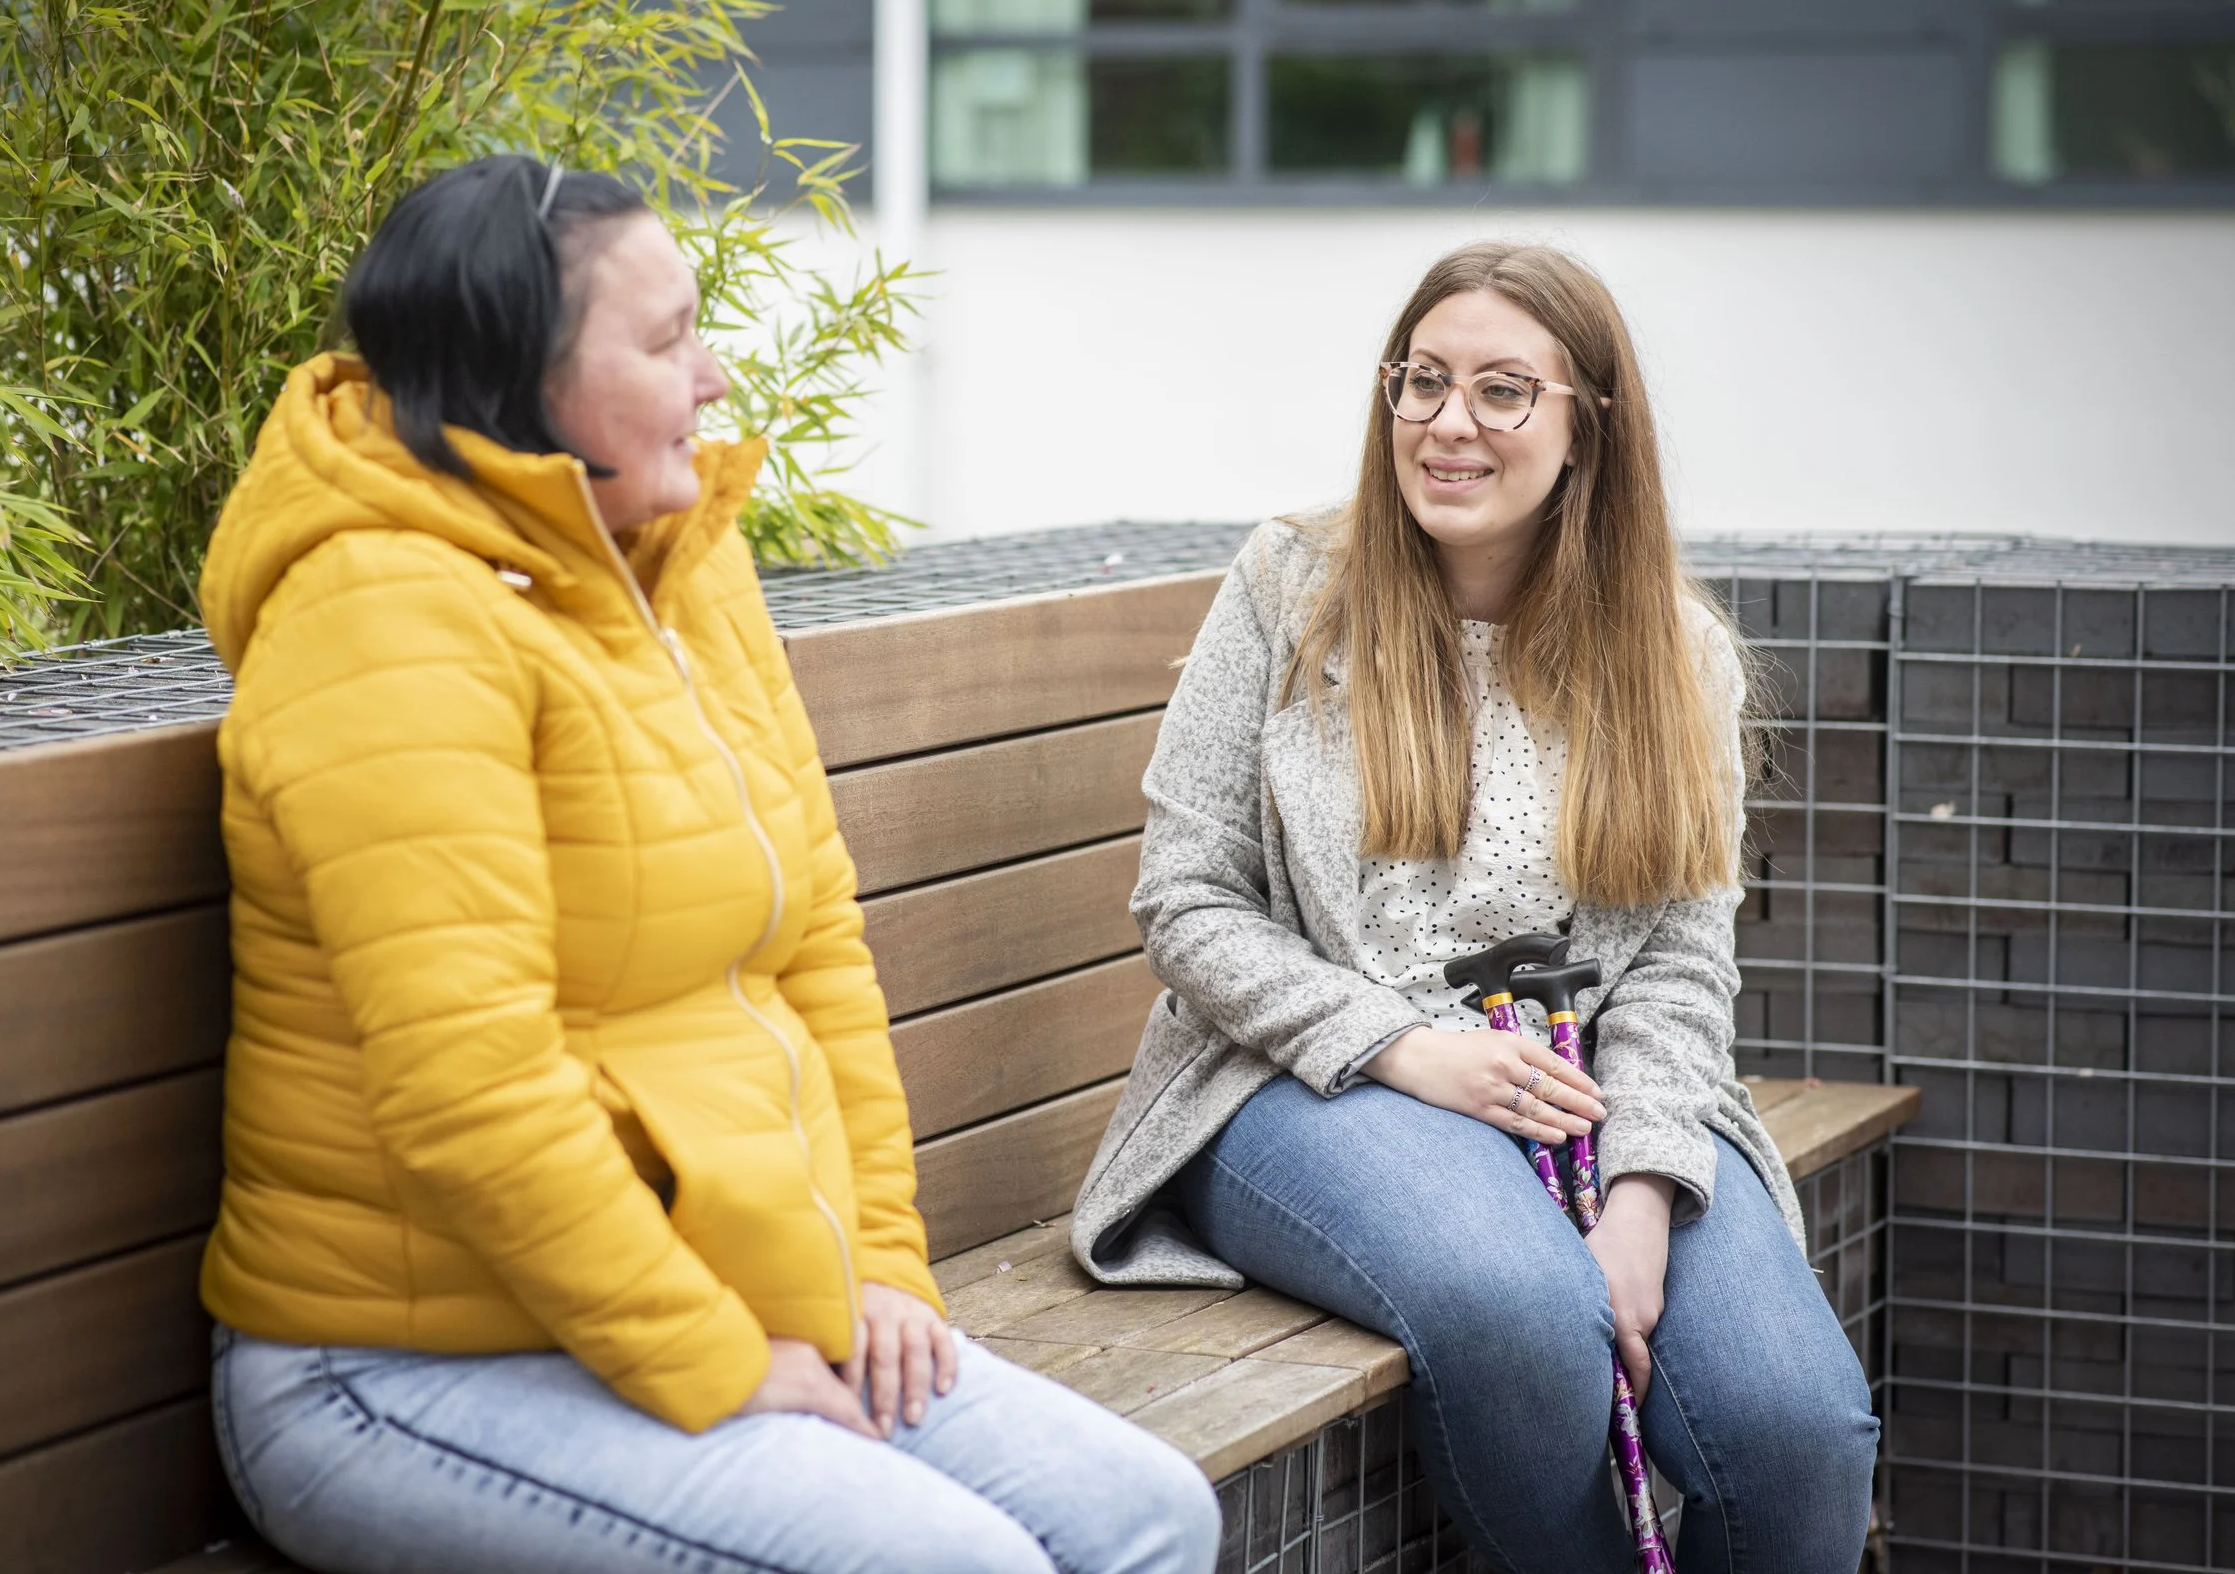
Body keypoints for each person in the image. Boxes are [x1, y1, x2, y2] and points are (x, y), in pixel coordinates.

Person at [194, 154, 1218, 1574]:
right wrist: (710, 1358)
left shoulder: (675, 561)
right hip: (401, 1368)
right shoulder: (383, 611)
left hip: (719, 1294)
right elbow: (466, 1081)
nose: (720, 374)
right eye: (670, 340)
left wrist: (874, 1270)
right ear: (520, 379)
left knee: (1150, 1518)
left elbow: (814, 953)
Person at [1070, 243, 1878, 1572]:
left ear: (1587, 429)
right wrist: (1407, 1050)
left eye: (1504, 391)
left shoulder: (1675, 657)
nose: (1450, 423)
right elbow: (1189, 899)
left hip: (1587, 1093)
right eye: (1423, 382)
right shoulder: (1288, 590)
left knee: (1797, 1436)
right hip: (1304, 1080)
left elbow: (1679, 971)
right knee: (1523, 1311)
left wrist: (1642, 1191)